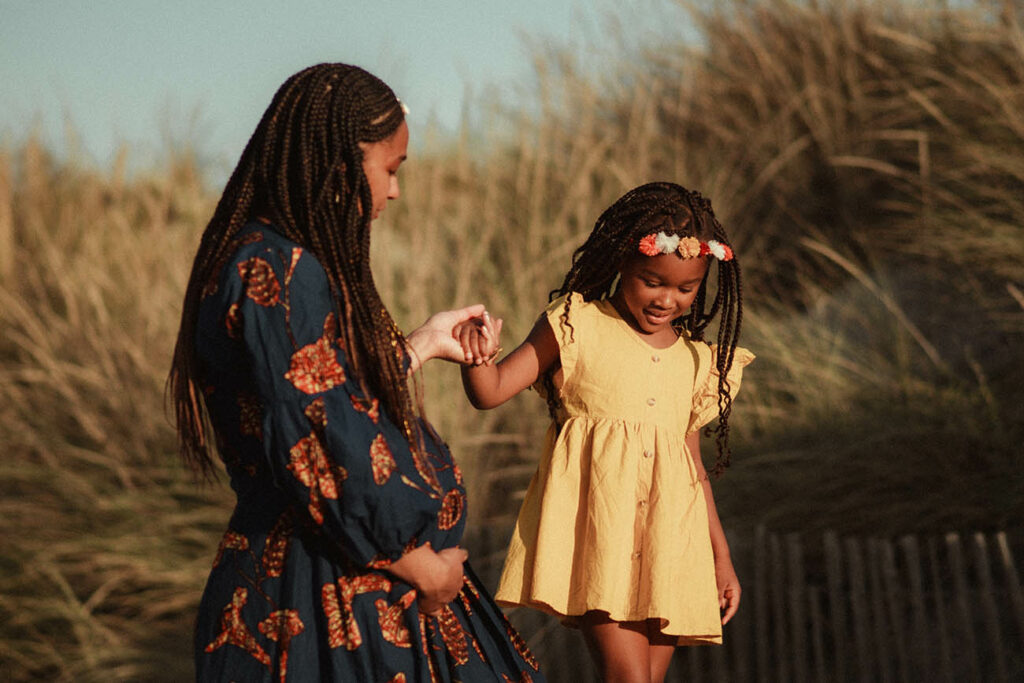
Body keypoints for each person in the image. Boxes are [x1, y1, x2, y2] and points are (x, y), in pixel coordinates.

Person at [168, 63, 544, 682]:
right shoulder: (278, 272)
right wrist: (418, 563)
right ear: (342, 162)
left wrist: (419, 344)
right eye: (390, 169)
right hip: (326, 593)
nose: (394, 191)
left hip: (330, 576)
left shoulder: (265, 261)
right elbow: (321, 437)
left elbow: (318, 395)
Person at [456, 182, 753, 682]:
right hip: (599, 544)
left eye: (686, 288)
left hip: (671, 548)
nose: (668, 299)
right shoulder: (577, 325)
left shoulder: (698, 362)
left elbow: (693, 468)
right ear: (622, 264)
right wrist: (477, 357)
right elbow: (492, 390)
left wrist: (720, 560)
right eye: (652, 281)